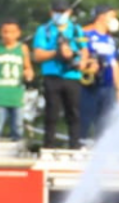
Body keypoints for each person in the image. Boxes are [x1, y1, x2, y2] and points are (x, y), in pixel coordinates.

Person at [33, 1, 88, 150]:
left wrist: (80, 60)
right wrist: (57, 53)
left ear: (69, 13)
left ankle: (75, 145)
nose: (60, 15)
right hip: (52, 75)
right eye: (57, 11)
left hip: (72, 75)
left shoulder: (76, 30)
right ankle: (49, 145)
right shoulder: (44, 30)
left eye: (63, 12)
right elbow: (38, 54)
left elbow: (84, 50)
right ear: (51, 13)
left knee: (74, 113)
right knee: (51, 113)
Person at [0, 19, 34, 140]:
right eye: (5, 32)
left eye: (12, 32)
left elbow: (28, 67)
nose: (8, 35)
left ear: (18, 33)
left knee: (18, 131)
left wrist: (28, 73)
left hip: (17, 95)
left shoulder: (23, 48)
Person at [80, 5, 119, 141]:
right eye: (112, 16)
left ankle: (101, 146)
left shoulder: (110, 40)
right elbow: (80, 57)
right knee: (85, 117)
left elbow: (115, 64)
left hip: (108, 84)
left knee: (105, 121)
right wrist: (88, 65)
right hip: (89, 84)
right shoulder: (85, 34)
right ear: (101, 17)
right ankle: (80, 143)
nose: (114, 20)